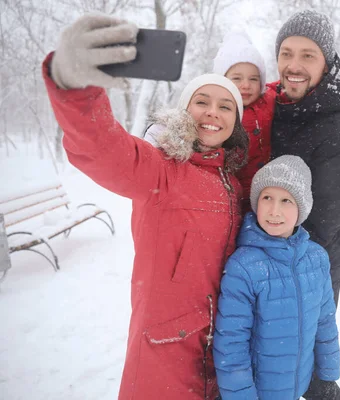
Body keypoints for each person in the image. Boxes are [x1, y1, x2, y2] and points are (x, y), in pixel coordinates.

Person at [43, 14, 248, 400]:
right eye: (201, 101)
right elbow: (106, 151)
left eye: (225, 106)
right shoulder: (162, 170)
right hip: (166, 352)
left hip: (222, 354)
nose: (212, 112)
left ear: (234, 122)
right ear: (185, 112)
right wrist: (75, 89)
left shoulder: (234, 184)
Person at [266, 9, 340, 399]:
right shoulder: (272, 108)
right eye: (286, 53)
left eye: (308, 56)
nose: (294, 65)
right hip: (257, 263)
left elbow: (318, 229)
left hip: (307, 270)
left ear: (327, 62)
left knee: (306, 371)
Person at [213, 155, 340, 400]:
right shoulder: (244, 266)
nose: (274, 211)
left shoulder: (317, 259)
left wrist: (327, 377)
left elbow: (325, 323)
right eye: (267, 198)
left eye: (286, 201)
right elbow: (231, 344)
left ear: (302, 208)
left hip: (297, 386)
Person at [213, 31, 276, 213]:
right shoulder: (219, 111)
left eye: (253, 79)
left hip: (268, 191)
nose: (246, 85)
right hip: (235, 192)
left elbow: (285, 89)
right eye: (237, 79)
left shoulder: (270, 100)